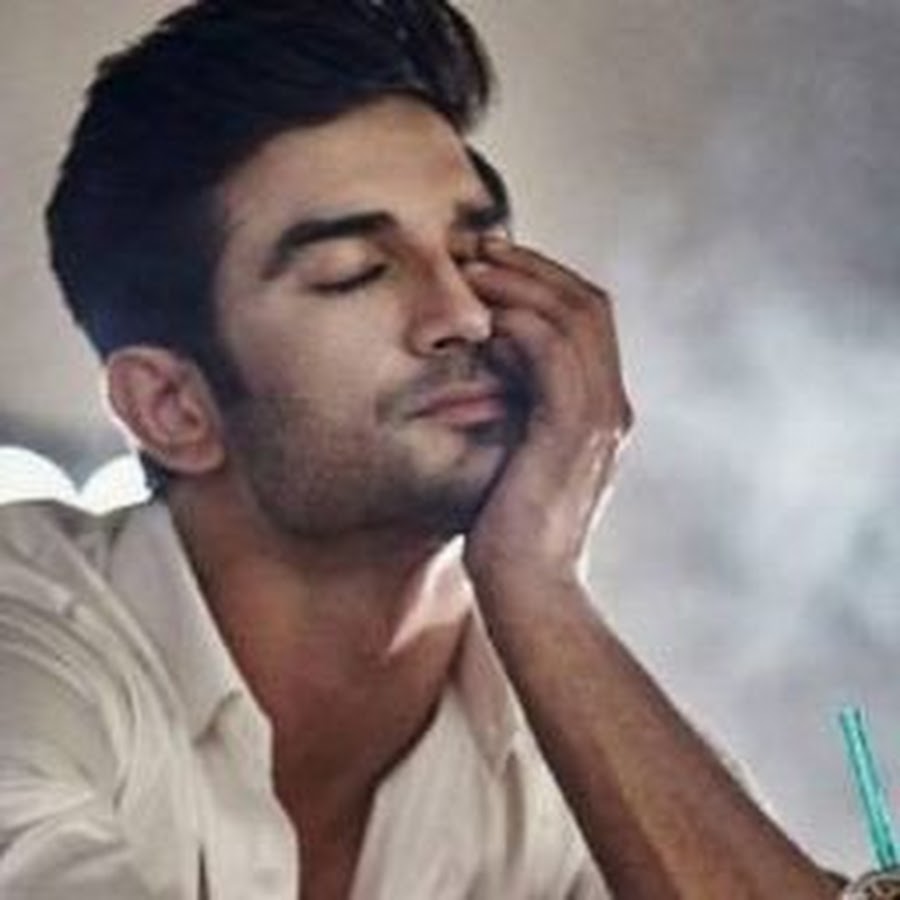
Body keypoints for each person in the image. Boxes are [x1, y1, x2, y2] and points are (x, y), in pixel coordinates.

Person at [0, 1, 842, 897]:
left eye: (480, 252)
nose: (465, 315)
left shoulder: (560, 729)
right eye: (354, 273)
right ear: (172, 407)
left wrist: (541, 589)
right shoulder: (32, 646)